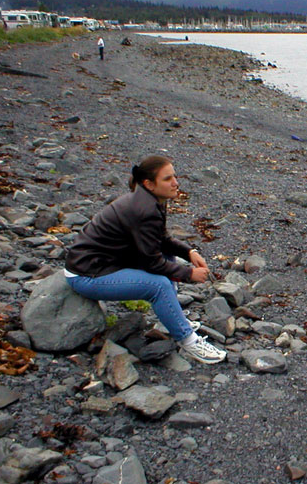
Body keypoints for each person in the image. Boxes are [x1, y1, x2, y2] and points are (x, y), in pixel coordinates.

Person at [64, 155, 227, 364]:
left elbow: (161, 240)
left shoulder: (152, 199)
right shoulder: (145, 210)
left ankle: (174, 317)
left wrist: (189, 252)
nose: (176, 183)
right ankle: (189, 342)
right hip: (86, 274)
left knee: (168, 256)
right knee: (157, 286)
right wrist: (189, 274)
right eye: (168, 179)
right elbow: (152, 263)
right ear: (149, 184)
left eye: (175, 176)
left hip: (106, 261)